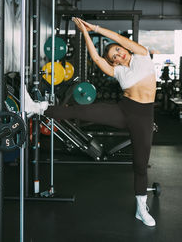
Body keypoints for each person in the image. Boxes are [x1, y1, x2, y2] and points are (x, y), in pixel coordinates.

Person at [25, 17, 156, 227]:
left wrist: (94, 27)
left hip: (144, 116)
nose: (119, 54)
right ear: (114, 62)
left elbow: (118, 38)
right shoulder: (118, 71)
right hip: (125, 110)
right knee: (82, 111)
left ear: (125, 49)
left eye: (119, 50)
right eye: (114, 56)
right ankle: (38, 108)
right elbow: (96, 58)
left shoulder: (141, 55)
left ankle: (141, 208)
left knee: (140, 165)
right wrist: (84, 33)